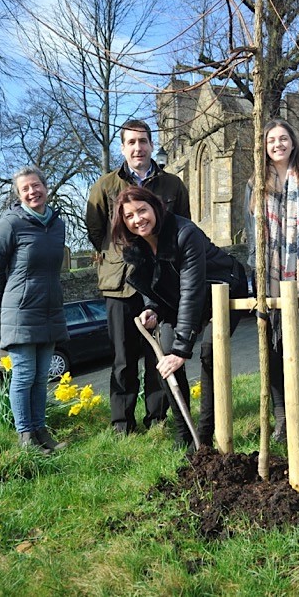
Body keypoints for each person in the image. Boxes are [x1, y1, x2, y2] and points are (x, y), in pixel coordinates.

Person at [110, 185, 248, 451]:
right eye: (129, 216)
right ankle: (183, 432)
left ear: (155, 208)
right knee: (165, 359)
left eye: (142, 210)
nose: (138, 219)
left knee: (210, 352)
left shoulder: (186, 233)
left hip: (223, 290)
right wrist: (153, 309)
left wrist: (182, 349)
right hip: (184, 301)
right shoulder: (135, 246)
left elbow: (191, 290)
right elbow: (157, 284)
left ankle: (206, 435)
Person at [86, 119, 190, 435]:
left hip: (159, 284)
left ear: (151, 145)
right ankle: (122, 423)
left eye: (142, 141)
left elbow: (183, 227)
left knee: (157, 354)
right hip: (119, 284)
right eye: (131, 142)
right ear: (123, 147)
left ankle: (157, 417)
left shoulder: (172, 185)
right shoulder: (104, 187)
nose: (137, 148)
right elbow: (96, 232)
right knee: (122, 357)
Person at [247, 118, 299, 443]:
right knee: (270, 351)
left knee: (292, 348)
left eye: (283, 138)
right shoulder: (256, 183)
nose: (278, 144)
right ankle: (283, 419)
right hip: (267, 281)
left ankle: (296, 414)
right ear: (264, 147)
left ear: (292, 143)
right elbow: (252, 236)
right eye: (271, 140)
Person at [0, 166, 69, 453]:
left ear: (46, 187)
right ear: (19, 195)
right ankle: (26, 439)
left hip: (50, 309)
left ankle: (41, 433)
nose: (32, 192)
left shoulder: (57, 224)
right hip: (20, 311)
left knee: (41, 377)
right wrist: (8, 301)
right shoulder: (11, 223)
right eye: (26, 189)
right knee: (23, 376)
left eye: (36, 186)